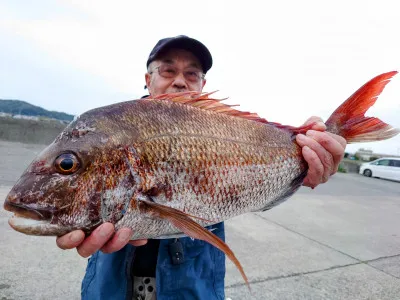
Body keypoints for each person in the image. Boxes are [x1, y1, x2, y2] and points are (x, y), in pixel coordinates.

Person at [56, 35, 347, 299]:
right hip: (109, 288)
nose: (180, 81)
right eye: (168, 70)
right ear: (148, 78)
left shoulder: (226, 131)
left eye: (192, 73)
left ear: (203, 85)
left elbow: (258, 196)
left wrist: (301, 172)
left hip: (193, 288)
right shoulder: (111, 130)